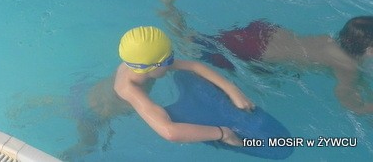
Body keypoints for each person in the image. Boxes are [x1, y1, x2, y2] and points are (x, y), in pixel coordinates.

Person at [141, 0, 373, 115]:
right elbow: (347, 100)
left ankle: (172, 10)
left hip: (268, 33)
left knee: (265, 73)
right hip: (256, 51)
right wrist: (365, 108)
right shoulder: (348, 67)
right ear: (369, 50)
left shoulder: (330, 39)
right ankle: (170, 9)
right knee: (186, 45)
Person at [61, 25, 253, 159]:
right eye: (168, 60)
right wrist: (222, 133)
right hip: (92, 115)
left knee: (61, 104)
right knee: (88, 146)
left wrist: (232, 89)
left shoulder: (139, 62)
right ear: (151, 67)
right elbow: (170, 132)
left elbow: (194, 66)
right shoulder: (130, 90)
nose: (173, 62)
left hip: (90, 91)